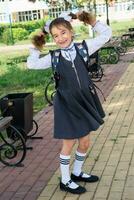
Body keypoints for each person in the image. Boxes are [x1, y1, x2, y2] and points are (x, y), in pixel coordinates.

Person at [27, 11, 112, 194]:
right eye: (55, 35)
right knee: (69, 143)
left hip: (84, 101)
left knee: (85, 142)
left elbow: (106, 35)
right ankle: (65, 180)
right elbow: (31, 64)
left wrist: (90, 20)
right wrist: (37, 41)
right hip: (66, 103)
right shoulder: (54, 57)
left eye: (63, 32)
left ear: (71, 31)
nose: (60, 38)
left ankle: (77, 172)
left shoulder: (84, 47)